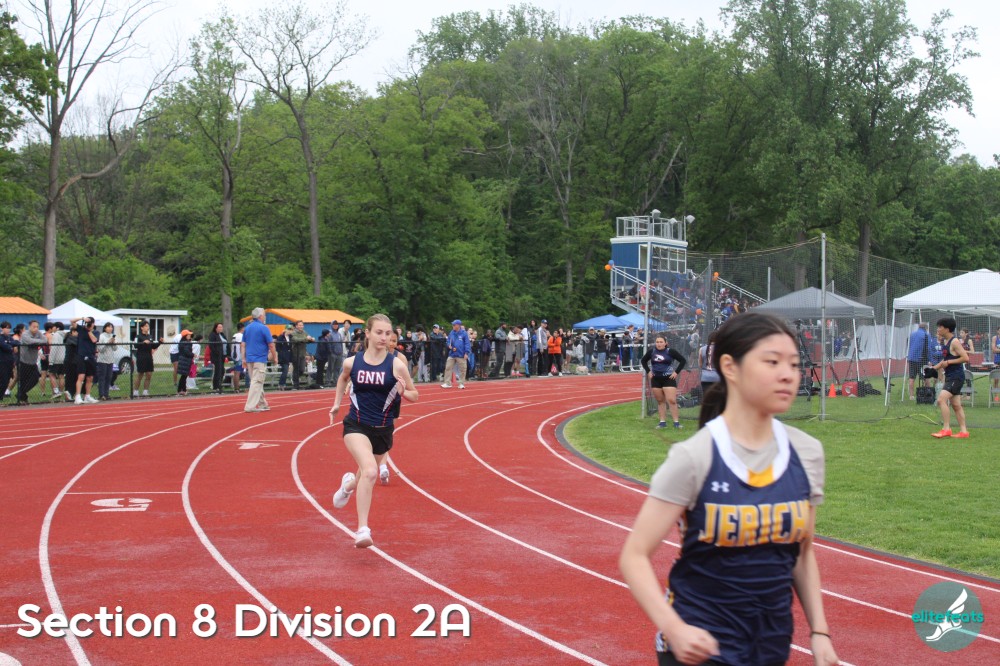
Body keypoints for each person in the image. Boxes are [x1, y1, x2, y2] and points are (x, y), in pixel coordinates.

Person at [619, 312, 838, 666]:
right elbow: (634, 556)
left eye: (794, 364)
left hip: (770, 645)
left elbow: (802, 552)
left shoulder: (807, 452)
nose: (787, 374)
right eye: (772, 362)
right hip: (699, 647)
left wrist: (820, 633)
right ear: (730, 367)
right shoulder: (694, 457)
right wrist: (674, 629)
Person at [329, 314, 418, 548]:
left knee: (362, 476)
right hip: (356, 425)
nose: (384, 337)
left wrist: (403, 392)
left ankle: (347, 486)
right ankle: (362, 530)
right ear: (367, 333)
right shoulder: (352, 362)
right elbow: (342, 379)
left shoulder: (397, 365)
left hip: (383, 429)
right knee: (370, 472)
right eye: (379, 332)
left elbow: (415, 395)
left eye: (388, 333)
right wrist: (337, 404)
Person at [930, 317, 970, 439]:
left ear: (947, 329)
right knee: (956, 405)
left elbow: (965, 358)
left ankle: (946, 429)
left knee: (941, 400)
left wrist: (949, 363)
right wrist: (933, 369)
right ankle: (964, 432)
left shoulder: (954, 341)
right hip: (950, 376)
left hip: (956, 377)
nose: (938, 329)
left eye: (940, 327)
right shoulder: (945, 342)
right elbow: (946, 359)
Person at [641, 332, 688, 429]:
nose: (659, 344)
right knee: (660, 401)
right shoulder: (652, 352)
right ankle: (662, 422)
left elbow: (683, 360)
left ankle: (676, 422)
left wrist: (676, 372)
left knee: (671, 400)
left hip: (668, 379)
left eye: (661, 342)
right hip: (656, 379)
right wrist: (648, 371)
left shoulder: (670, 351)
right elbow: (643, 360)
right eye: (657, 342)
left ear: (665, 343)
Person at [241, 308, 277, 412]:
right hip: (259, 358)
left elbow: (243, 344)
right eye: (264, 315)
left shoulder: (247, 328)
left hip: (249, 359)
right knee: (257, 382)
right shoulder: (264, 328)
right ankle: (250, 406)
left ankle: (262, 404)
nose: (265, 317)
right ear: (260, 316)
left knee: (256, 381)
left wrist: (243, 358)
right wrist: (275, 357)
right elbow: (271, 344)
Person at [70, 317, 100, 404]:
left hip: (91, 356)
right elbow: (72, 321)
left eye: (91, 323)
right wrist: (82, 318)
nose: (89, 325)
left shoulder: (96, 332)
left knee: (90, 377)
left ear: (93, 324)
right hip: (81, 355)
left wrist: (89, 331)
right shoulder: (81, 329)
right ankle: (78, 396)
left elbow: (94, 340)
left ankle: (87, 395)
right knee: (81, 376)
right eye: (88, 323)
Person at [133, 320, 162, 397]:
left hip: (149, 358)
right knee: (140, 375)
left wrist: (160, 342)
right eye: (146, 326)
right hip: (141, 358)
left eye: (148, 326)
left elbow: (153, 346)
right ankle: (135, 391)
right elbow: (135, 345)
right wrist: (143, 342)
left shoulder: (150, 336)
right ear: (142, 328)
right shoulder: (138, 336)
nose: (147, 327)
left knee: (149, 374)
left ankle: (145, 391)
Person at [905, 322, 931, 400]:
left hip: (912, 358)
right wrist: (929, 359)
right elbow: (928, 348)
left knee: (911, 377)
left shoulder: (912, 334)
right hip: (922, 359)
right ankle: (928, 393)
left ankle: (911, 396)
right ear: (926, 328)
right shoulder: (926, 335)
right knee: (926, 377)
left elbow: (908, 345)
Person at [441, 320, 470, 389]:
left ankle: (461, 383)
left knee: (462, 369)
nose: (453, 326)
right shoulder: (451, 332)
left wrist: (466, 353)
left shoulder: (464, 333)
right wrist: (449, 345)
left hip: (461, 354)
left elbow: (467, 343)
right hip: (452, 353)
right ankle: (447, 383)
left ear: (458, 325)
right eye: (453, 325)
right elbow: (448, 340)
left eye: (454, 325)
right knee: (448, 367)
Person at [96, 322, 117, 400]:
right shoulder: (102, 336)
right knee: (102, 377)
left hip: (110, 359)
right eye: (108, 327)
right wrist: (108, 343)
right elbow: (100, 349)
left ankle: (106, 394)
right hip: (102, 360)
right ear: (105, 328)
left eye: (111, 327)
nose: (110, 328)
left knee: (109, 377)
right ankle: (101, 394)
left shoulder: (112, 336)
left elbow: (115, 349)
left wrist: (113, 343)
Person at [208, 323, 228, 393]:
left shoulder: (222, 335)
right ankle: (216, 387)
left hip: (222, 356)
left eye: (221, 327)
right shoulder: (213, 335)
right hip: (216, 356)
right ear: (216, 328)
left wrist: (226, 354)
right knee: (217, 371)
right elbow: (211, 346)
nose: (221, 328)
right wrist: (217, 352)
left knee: (222, 371)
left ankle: (219, 385)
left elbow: (226, 343)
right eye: (219, 327)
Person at [698, 331, 720, 398]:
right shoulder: (721, 348)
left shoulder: (702, 349)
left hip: (705, 378)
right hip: (718, 377)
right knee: (719, 398)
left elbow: (700, 364)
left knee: (708, 398)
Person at [175, 330, 194, 396]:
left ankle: (182, 390)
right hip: (185, 360)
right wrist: (193, 354)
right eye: (188, 334)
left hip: (185, 360)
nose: (190, 336)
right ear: (185, 336)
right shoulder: (186, 343)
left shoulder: (183, 342)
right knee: (184, 376)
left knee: (184, 376)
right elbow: (187, 352)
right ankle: (182, 390)